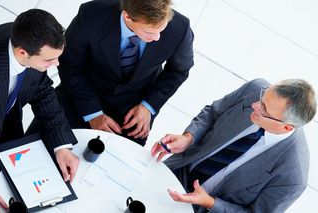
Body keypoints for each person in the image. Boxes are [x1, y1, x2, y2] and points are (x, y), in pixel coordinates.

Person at [151, 78, 317, 212]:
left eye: (264, 109)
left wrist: (210, 203)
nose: (255, 105)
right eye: (262, 97)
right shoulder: (255, 88)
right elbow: (212, 112)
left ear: (286, 127)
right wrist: (188, 138)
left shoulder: (293, 177)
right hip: (177, 170)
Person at [54, 0, 194, 146]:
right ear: (127, 16)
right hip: (81, 93)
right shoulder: (92, 14)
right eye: (149, 32)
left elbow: (179, 70)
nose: (157, 37)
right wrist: (93, 113)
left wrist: (148, 106)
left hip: (134, 110)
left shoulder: (180, 28)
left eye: (161, 30)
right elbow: (68, 64)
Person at [0, 9, 79, 211]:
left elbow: (43, 91)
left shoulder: (23, 40)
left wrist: (62, 146)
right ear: (22, 52)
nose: (56, 64)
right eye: (48, 60)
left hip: (7, 128)